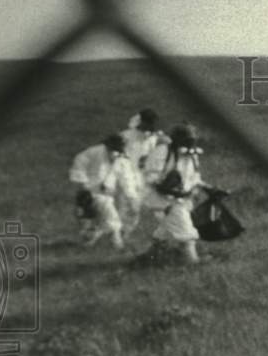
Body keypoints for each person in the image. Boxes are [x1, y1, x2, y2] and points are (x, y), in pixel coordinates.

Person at [140, 122, 211, 264]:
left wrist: (209, 188)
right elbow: (150, 177)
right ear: (177, 138)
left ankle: (153, 255)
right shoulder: (163, 152)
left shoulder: (192, 156)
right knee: (185, 228)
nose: (190, 142)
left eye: (192, 138)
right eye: (186, 138)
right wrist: (168, 187)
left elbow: (194, 178)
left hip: (182, 199)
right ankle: (192, 260)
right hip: (161, 198)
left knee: (167, 227)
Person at [68, 133, 132, 249]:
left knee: (100, 221)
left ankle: (90, 240)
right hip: (91, 193)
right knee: (112, 218)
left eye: (119, 150)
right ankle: (118, 245)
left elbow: (125, 176)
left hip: (108, 194)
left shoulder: (121, 158)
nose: (116, 153)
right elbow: (79, 162)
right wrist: (83, 183)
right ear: (108, 147)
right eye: (113, 150)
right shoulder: (94, 153)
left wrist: (129, 193)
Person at [117, 108, 165, 236]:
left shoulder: (153, 138)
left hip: (143, 177)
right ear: (142, 121)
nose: (151, 127)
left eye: (152, 124)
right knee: (129, 206)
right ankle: (119, 234)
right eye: (148, 123)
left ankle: (122, 233)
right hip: (126, 176)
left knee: (137, 208)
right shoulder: (126, 136)